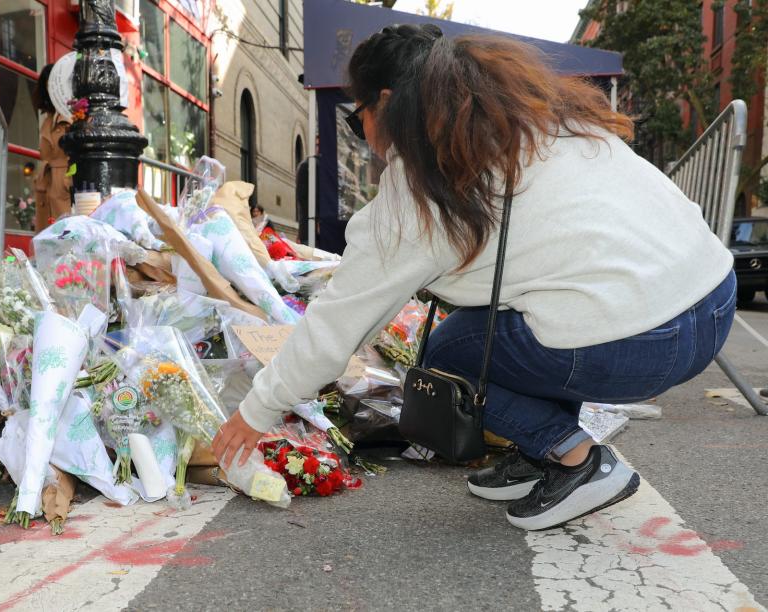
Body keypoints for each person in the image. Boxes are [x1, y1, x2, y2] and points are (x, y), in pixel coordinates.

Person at [212, 26, 736, 530]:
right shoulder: (542, 122)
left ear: (389, 103)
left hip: (640, 342)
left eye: (359, 117)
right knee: (506, 321)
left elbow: (337, 328)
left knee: (450, 354)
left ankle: (578, 461)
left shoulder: (420, 188)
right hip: (714, 306)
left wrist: (255, 411)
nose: (363, 133)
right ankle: (541, 452)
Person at [33, 63, 72, 232]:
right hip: (46, 187)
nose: (53, 89)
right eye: (48, 85)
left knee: (66, 239)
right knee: (46, 243)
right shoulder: (48, 119)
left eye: (56, 83)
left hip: (64, 186)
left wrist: (67, 180)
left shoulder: (73, 115)